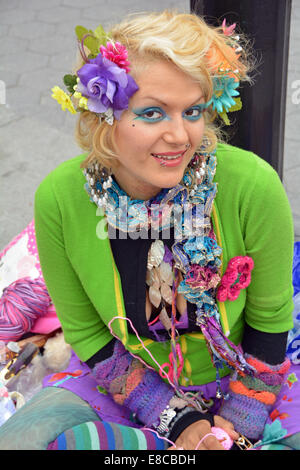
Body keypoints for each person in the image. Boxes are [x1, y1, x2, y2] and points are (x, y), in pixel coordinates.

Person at [0, 10, 299, 451]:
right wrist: (175, 418)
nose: (179, 135)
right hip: (124, 384)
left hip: (247, 379)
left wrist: (235, 424)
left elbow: (270, 320)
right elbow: (87, 333)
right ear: (106, 116)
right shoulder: (60, 200)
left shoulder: (251, 185)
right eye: (154, 112)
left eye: (192, 110)